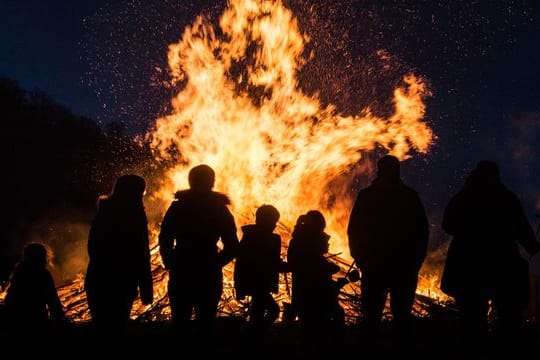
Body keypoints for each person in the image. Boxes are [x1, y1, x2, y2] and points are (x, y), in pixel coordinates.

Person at [440, 160, 540, 345]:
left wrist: (468, 232)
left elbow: (447, 225)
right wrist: (532, 248)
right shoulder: (505, 197)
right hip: (501, 264)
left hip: (468, 265)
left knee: (472, 318)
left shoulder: (463, 197)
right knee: (507, 317)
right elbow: (521, 227)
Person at [347, 154, 429, 347]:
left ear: (379, 171)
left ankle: (371, 348)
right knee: (399, 314)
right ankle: (397, 348)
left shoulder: (368, 196)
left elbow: (354, 229)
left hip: (379, 265)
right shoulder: (408, 196)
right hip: (399, 266)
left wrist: (359, 256)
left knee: (373, 314)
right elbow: (421, 231)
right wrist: (416, 260)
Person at [158, 164, 239, 347]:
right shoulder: (219, 209)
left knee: (180, 322)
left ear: (190, 181)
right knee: (206, 322)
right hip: (207, 269)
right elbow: (232, 245)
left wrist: (170, 260)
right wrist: (216, 263)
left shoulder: (178, 207)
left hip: (182, 268)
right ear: (212, 181)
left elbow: (165, 237)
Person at [84, 174, 154, 344]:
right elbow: (141, 253)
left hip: (97, 281)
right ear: (136, 192)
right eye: (141, 192)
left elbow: (92, 248)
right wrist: (146, 287)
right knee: (116, 332)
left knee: (101, 332)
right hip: (122, 283)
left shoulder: (104, 212)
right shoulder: (135, 215)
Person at [287, 210, 346, 356]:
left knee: (307, 333)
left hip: (302, 295)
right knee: (317, 334)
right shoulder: (310, 243)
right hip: (316, 300)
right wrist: (334, 279)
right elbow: (317, 275)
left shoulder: (297, 241)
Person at [233, 204, 287, 348]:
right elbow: (242, 262)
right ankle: (251, 338)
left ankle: (252, 339)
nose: (275, 226)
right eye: (273, 222)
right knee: (272, 310)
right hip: (258, 285)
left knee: (257, 315)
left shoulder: (253, 237)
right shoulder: (254, 238)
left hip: (260, 284)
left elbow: (273, 262)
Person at [3, 242, 65, 354]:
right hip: (35, 320)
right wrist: (60, 317)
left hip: (16, 320)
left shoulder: (20, 271)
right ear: (43, 257)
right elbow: (52, 298)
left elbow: (10, 297)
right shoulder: (43, 274)